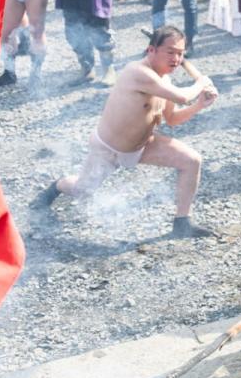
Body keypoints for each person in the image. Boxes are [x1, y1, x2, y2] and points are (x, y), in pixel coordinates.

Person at [33, 26, 218, 239]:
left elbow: (172, 119)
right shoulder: (137, 72)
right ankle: (54, 188)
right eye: (170, 52)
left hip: (142, 145)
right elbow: (182, 97)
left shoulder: (164, 80)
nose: (176, 58)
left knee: (192, 161)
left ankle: (182, 222)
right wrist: (201, 83)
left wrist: (200, 106)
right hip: (108, 148)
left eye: (180, 53)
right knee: (81, 190)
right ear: (151, 50)